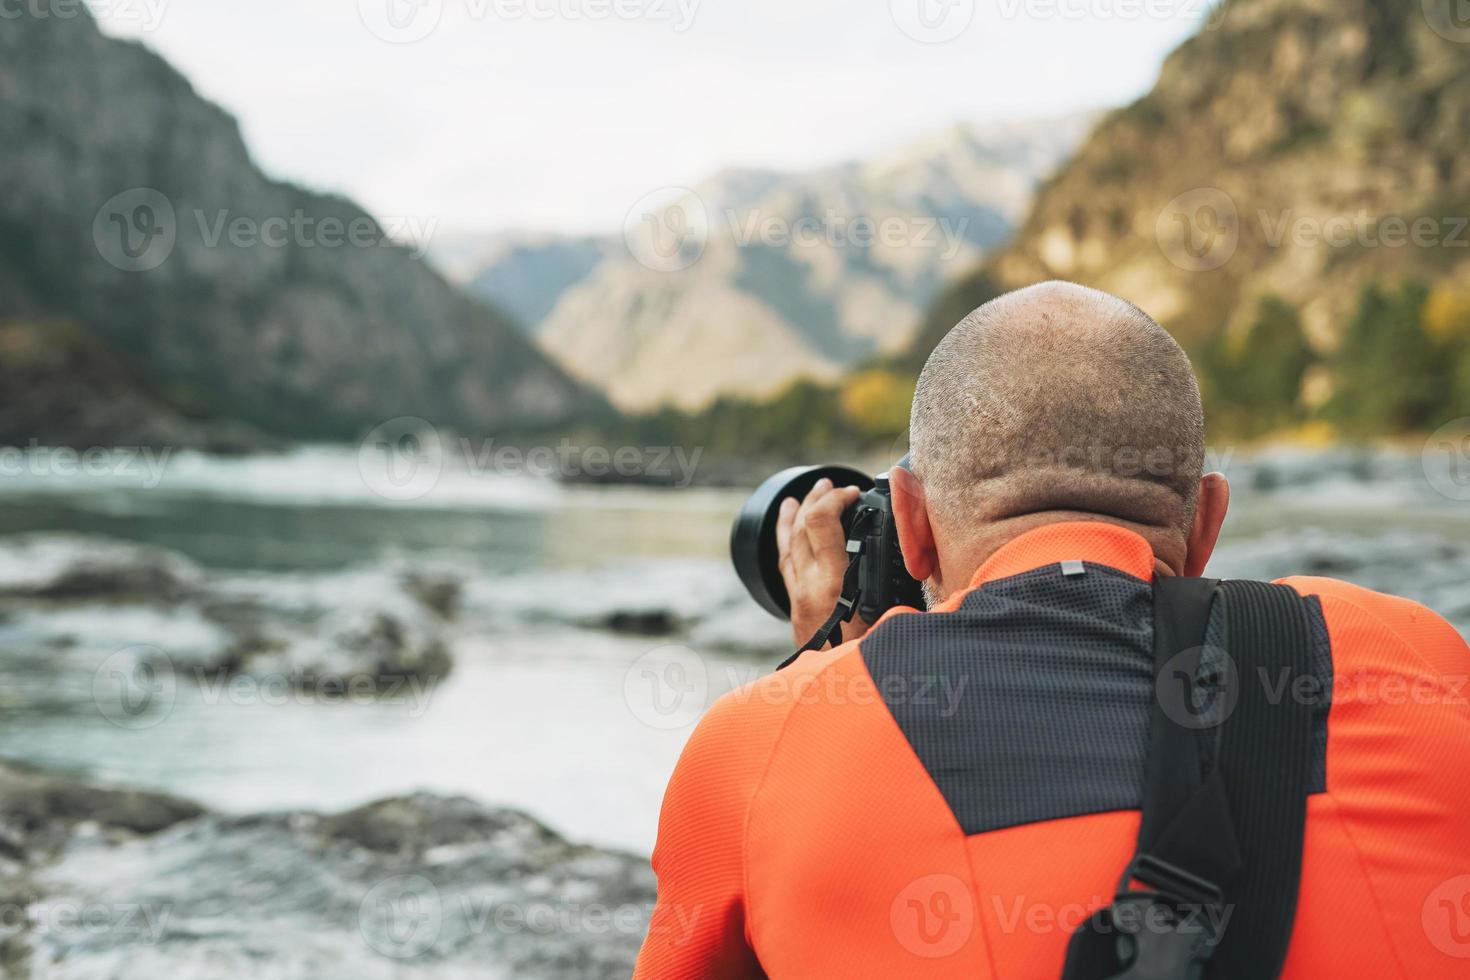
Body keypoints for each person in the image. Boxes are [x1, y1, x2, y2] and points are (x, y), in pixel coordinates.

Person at [632, 281, 1470, 979]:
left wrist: (829, 666)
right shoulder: (1414, 653)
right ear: (1207, 524)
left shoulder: (759, 745)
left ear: (914, 527)